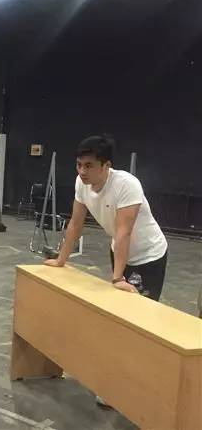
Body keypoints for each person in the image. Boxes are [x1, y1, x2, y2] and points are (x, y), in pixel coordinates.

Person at [45, 135, 168, 406]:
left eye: (89, 165)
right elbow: (75, 224)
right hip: (120, 252)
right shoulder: (81, 183)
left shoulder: (127, 185)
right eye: (79, 165)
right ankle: (117, 381)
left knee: (137, 321)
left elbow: (124, 232)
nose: (82, 171)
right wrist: (61, 260)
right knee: (119, 316)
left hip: (148, 256)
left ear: (106, 165)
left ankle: (136, 386)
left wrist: (117, 278)